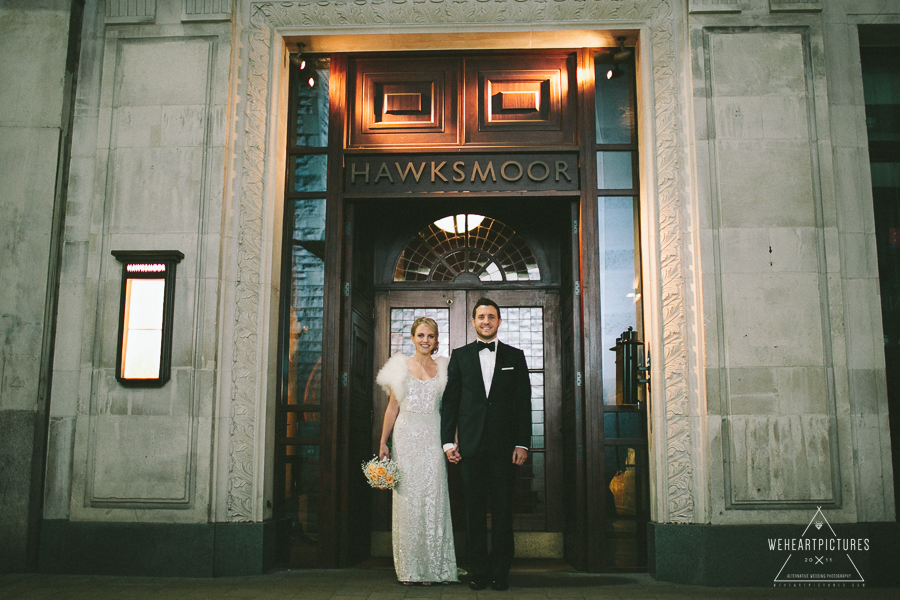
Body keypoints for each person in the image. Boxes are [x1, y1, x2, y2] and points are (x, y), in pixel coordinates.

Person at [440, 298, 531, 591]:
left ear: (499, 321)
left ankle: (500, 573)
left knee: (504, 512)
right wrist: (446, 443)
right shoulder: (460, 356)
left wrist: (522, 443)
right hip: (470, 448)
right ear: (473, 321)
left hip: (505, 449)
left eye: (491, 317)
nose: (486, 321)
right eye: (481, 317)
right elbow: (450, 402)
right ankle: (478, 571)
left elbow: (523, 404)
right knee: (473, 512)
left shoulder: (515, 357)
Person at [376, 317, 458, 585]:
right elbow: (392, 407)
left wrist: (453, 440)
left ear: (436, 340)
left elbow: (450, 411)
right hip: (406, 437)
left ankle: (433, 567)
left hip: (434, 435)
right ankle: (410, 568)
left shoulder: (445, 368)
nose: (425, 340)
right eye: (421, 335)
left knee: (433, 497)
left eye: (430, 336)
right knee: (408, 500)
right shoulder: (400, 367)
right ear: (412, 338)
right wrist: (383, 442)